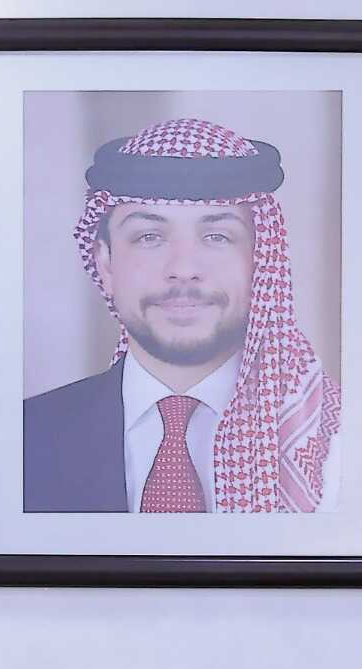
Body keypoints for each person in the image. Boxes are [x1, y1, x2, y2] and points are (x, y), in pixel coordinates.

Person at [24, 118, 341, 516]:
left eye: (217, 237)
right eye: (149, 237)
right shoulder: (21, 440)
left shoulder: (336, 444)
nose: (184, 269)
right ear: (105, 263)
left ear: (261, 260)